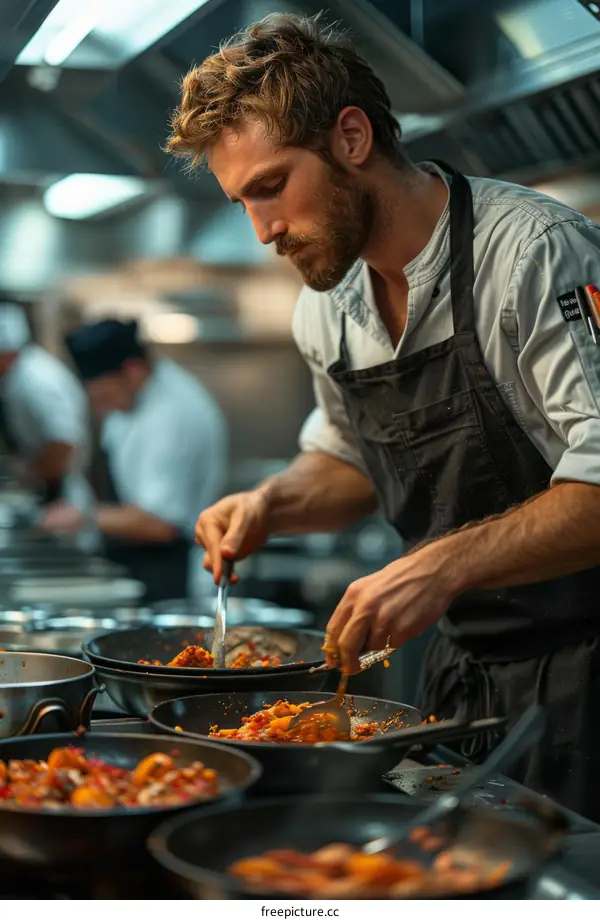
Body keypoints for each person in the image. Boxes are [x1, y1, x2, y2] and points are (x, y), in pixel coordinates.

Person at [165, 13, 600, 819]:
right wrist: (271, 505)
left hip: (588, 677)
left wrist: (441, 565)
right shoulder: (327, 308)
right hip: (462, 678)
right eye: (242, 202)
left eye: (271, 186)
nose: (262, 231)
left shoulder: (533, 252)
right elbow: (347, 462)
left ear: (353, 138)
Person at [42, 318, 228, 602]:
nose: (104, 406)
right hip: (141, 561)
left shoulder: (173, 414)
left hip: (172, 574)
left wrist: (83, 515)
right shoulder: (135, 398)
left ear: (132, 370)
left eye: (105, 394)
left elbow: (160, 524)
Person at [0, 301, 94, 537]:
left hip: (63, 499)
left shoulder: (38, 379)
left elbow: (64, 443)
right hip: (48, 493)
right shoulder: (16, 376)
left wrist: (27, 475)